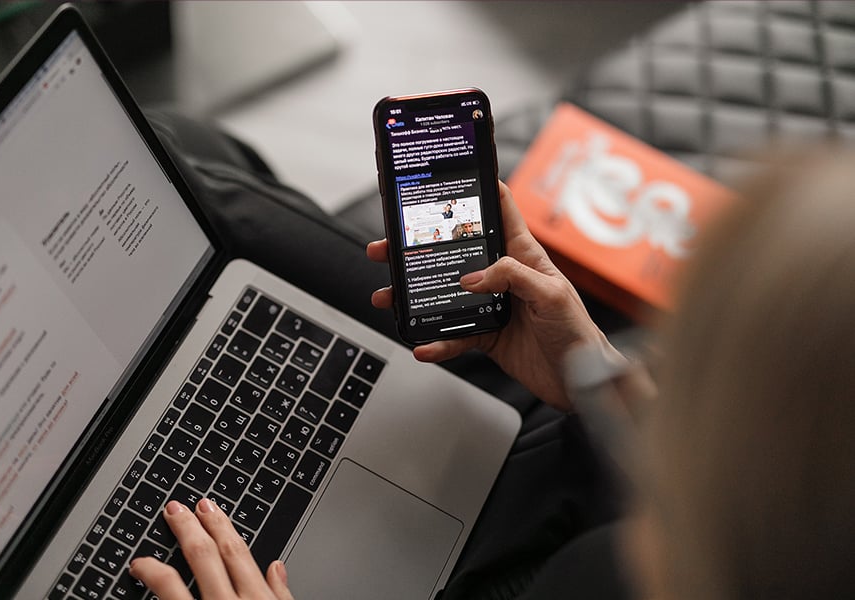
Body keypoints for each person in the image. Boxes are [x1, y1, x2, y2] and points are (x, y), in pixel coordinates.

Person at [132, 113, 855, 599]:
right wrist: (607, 389)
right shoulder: (756, 543)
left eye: (694, 378)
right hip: (559, 463)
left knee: (176, 147)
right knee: (195, 147)